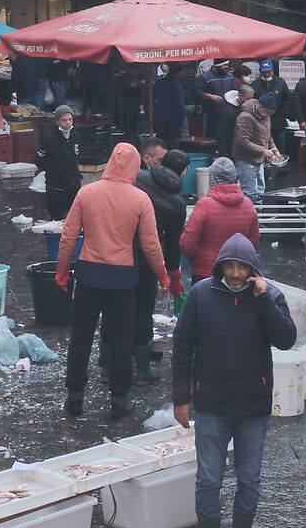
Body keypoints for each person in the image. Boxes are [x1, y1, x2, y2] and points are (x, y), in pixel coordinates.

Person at [171, 233, 295, 528]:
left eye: (243, 267)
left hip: (252, 406)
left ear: (253, 269)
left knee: (249, 479)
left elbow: (286, 340)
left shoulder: (270, 296)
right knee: (209, 480)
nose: (236, 273)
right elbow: (182, 345)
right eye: (231, 266)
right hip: (211, 403)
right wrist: (181, 398)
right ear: (221, 265)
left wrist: (265, 302)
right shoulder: (201, 295)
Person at [54, 141, 172, 421]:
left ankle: (74, 396)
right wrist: (162, 274)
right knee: (121, 340)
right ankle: (119, 399)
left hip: (88, 276)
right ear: (134, 166)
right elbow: (151, 244)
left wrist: (61, 270)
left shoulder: (86, 192)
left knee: (80, 338)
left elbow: (69, 236)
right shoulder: (139, 198)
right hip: (122, 280)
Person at [133, 149, 189, 385]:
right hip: (147, 256)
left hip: (119, 248)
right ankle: (142, 372)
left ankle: (108, 365)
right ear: (184, 172)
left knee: (117, 305)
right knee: (144, 308)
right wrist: (173, 276)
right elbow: (173, 244)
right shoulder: (177, 202)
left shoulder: (138, 176)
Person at [180, 157, 262, 280]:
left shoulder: (204, 205)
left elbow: (188, 243)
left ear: (212, 178)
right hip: (238, 275)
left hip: (205, 271)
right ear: (234, 177)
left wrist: (196, 260)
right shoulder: (248, 204)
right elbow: (253, 242)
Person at [232, 90, 284, 198]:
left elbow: (268, 135)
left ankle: (259, 213)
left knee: (260, 191)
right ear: (259, 106)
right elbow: (242, 141)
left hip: (259, 160)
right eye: (268, 111)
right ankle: (250, 214)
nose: (270, 115)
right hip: (245, 160)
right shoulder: (245, 118)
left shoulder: (266, 115)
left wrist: (274, 149)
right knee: (250, 193)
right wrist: (264, 150)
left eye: (271, 112)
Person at [38, 106, 83, 223]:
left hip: (73, 183)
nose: (68, 123)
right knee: (57, 219)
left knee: (76, 219)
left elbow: (77, 157)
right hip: (56, 185)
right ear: (57, 121)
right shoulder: (49, 138)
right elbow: (39, 161)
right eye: (64, 120)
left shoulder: (76, 136)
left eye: (70, 119)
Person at [150, 65, 186, 147]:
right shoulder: (176, 85)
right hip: (173, 121)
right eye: (181, 72)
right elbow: (179, 105)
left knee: (160, 144)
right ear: (178, 72)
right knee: (172, 145)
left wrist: (154, 114)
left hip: (159, 119)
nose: (183, 74)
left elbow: (151, 99)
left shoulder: (158, 83)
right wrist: (180, 121)